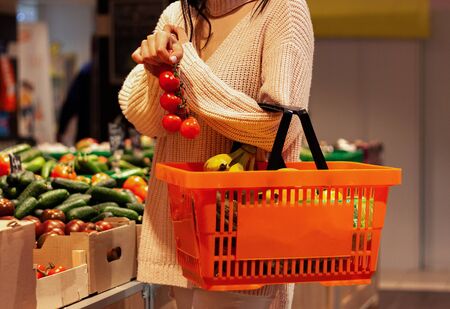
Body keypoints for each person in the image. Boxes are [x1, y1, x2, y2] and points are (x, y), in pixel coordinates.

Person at [118, 0, 314, 307]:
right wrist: (154, 73)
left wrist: (189, 69)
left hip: (245, 245)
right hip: (178, 239)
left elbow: (281, 128)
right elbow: (150, 122)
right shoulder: (177, 13)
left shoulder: (282, 9)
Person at [57, 62, 92, 143]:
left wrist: (61, 130)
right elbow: (71, 102)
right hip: (116, 135)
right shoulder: (86, 71)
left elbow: (70, 103)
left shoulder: (86, 71)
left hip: (85, 135)